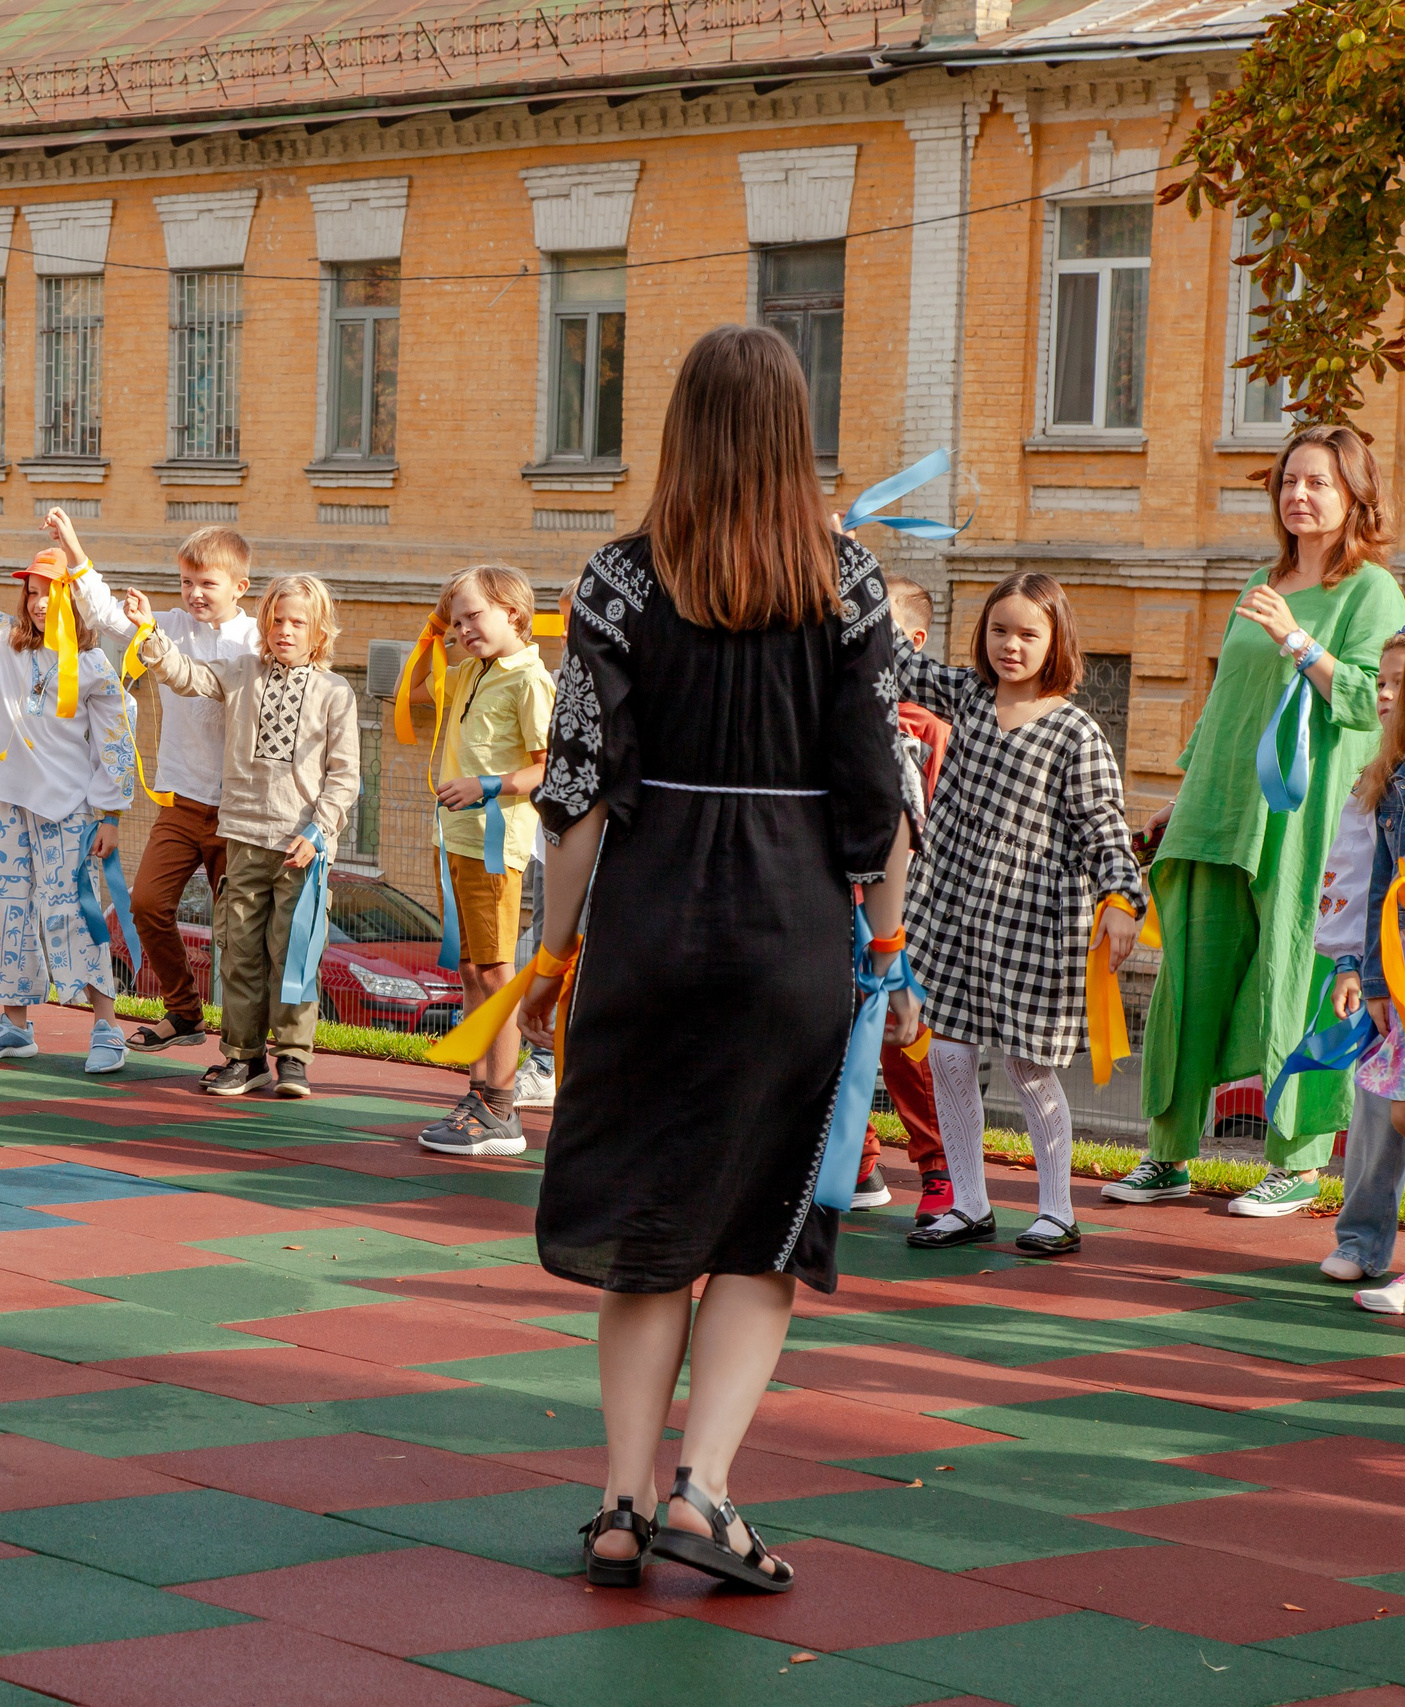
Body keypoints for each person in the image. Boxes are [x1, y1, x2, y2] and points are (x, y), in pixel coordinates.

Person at [516, 324, 910, 1594]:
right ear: (796, 431)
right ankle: (706, 1493)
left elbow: (577, 791)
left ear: (679, 427)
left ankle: (621, 1505)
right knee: (758, 1232)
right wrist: (888, 948)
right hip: (790, 925)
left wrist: (548, 959)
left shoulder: (616, 581)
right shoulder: (848, 584)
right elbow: (878, 793)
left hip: (648, 918)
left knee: (645, 1226)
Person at [1109, 425, 1405, 1216]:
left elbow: (1369, 703)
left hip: (1305, 815)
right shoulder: (1257, 577)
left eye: (1318, 483)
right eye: (1288, 482)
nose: (1299, 496)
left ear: (1354, 498)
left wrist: (1296, 638)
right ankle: (1167, 1153)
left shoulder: (1371, 590)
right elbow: (1226, 703)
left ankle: (1298, 1162)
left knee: (1293, 972)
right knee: (1188, 976)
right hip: (1218, 806)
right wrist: (1184, 793)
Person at [891, 573, 1143, 1258]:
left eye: (1029, 633)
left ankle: (1058, 1211)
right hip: (953, 911)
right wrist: (846, 570)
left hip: (1032, 923)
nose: (1011, 645)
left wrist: (1121, 903)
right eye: (1000, 630)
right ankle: (970, 1203)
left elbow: (1104, 828)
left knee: (1029, 1067)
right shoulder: (969, 697)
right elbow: (897, 659)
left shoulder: (1074, 732)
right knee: (946, 1052)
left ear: (1056, 640)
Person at [129, 575, 360, 1099]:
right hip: (244, 834)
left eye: (298, 622)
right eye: (277, 620)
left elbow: (345, 775)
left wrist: (319, 830)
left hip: (301, 848)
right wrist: (153, 638)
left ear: (318, 630)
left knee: (293, 952)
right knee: (239, 952)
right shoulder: (241, 673)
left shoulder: (335, 692)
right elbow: (189, 677)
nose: (285, 630)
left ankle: (294, 1057)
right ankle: (243, 1056)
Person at [0, 502, 136, 1074]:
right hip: (8, 802)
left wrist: (111, 814)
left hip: (68, 810)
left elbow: (116, 740)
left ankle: (107, 1028)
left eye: (51, 591)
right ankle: (15, 1025)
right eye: (33, 592)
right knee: (8, 912)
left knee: (73, 911)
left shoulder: (93, 664)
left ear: (71, 597)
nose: (40, 602)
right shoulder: (7, 644)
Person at [64, 527, 258, 1052]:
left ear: (240, 587)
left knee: (239, 934)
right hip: (179, 804)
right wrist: (77, 554)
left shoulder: (257, 641)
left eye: (207, 583)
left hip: (239, 813)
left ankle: (248, 1046)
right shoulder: (166, 625)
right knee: (147, 904)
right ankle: (184, 1013)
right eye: (186, 581)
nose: (194, 593)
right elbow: (105, 614)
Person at [408, 565, 555, 1156]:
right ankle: (478, 1094)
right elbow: (412, 690)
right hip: (458, 841)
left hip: (495, 842)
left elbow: (549, 767)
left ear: (514, 613)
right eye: (458, 619)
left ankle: (501, 1109)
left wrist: (486, 787)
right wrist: (434, 625)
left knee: (494, 973)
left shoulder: (530, 680)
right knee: (471, 971)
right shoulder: (471, 668)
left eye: (475, 616)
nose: (464, 629)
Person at [853, 576, 954, 1217]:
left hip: (907, 906)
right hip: (838, 897)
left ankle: (940, 1169)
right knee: (836, 1038)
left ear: (910, 643)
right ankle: (858, 1165)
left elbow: (934, 819)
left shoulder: (929, 727)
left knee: (903, 1041)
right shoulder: (838, 711)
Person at [1318, 628, 1405, 1301]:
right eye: (1397, 680)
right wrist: (1365, 969)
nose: (1389, 692)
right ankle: (1363, 1239)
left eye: (1395, 677)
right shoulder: (1393, 778)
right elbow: (1371, 885)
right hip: (1402, 963)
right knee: (1389, 1104)